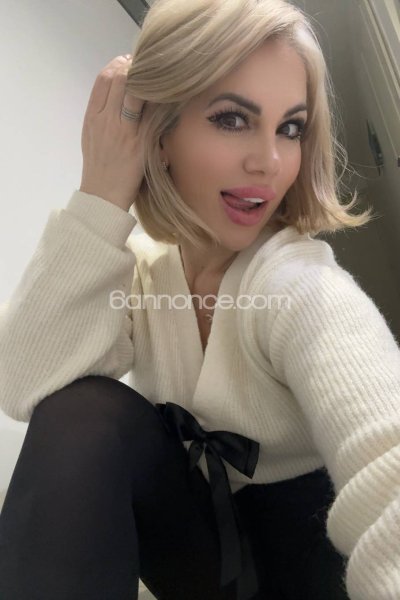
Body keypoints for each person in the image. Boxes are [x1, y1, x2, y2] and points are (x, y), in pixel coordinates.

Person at [0, 0, 399, 599]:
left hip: (314, 574)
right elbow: (23, 382)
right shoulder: (142, 271)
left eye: (290, 128)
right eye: (232, 119)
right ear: (160, 135)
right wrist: (100, 198)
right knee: (83, 411)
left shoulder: (297, 284)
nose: (269, 162)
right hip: (203, 556)